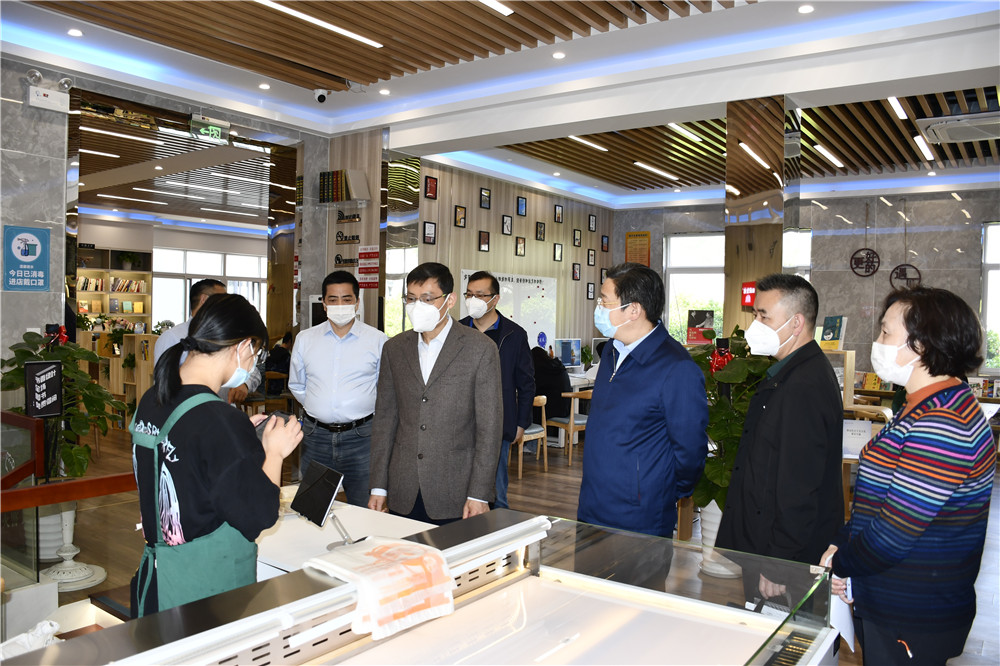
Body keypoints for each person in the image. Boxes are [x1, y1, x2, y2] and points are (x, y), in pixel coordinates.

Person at [822, 287, 995, 665]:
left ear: (922, 344)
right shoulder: (926, 404)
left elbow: (893, 535)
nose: (878, 341)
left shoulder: (942, 421)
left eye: (886, 332)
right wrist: (840, 543)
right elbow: (882, 501)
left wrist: (841, 563)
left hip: (914, 610)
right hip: (893, 596)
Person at [129, 293, 302, 616]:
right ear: (243, 347)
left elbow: (189, 461)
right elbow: (258, 515)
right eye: (256, 354)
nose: (252, 364)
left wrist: (239, 440)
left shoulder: (153, 398)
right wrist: (274, 453)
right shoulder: (219, 419)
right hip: (206, 589)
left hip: (158, 577)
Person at [716, 273, 843, 603]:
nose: (754, 325)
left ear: (796, 323)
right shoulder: (791, 372)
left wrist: (777, 564)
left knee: (779, 633)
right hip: (768, 544)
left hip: (782, 556)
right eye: (755, 314)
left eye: (764, 316)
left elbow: (799, 485)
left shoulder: (804, 386)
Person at [577, 262, 708, 538]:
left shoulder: (676, 367)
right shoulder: (612, 350)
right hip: (592, 502)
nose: (598, 308)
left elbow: (690, 449)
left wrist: (659, 492)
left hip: (640, 513)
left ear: (633, 310)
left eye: (604, 301)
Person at [368, 262, 502, 524]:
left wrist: (479, 493)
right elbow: (385, 420)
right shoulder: (395, 348)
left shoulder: (480, 348)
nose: (418, 306)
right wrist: (378, 487)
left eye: (427, 299)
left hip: (455, 487)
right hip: (402, 485)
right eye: (411, 299)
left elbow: (490, 427)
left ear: (450, 300)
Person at [289, 271, 387, 506]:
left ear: (357, 302)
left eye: (346, 299)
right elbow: (297, 384)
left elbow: (383, 389)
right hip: (316, 436)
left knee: (364, 508)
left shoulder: (378, 340)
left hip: (362, 437)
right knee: (313, 506)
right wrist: (321, 406)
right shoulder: (305, 339)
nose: (340, 305)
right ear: (324, 304)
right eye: (333, 300)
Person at [459, 271, 534, 509]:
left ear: (495, 299)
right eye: (469, 294)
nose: (473, 300)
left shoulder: (514, 334)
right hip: (459, 423)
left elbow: (526, 383)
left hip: (498, 422)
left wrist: (521, 423)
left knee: (496, 489)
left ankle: (498, 527)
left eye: (480, 295)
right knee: (458, 487)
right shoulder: (456, 330)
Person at [154, 279, 260, 404]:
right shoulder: (172, 336)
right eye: (221, 300)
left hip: (221, 408)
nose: (226, 306)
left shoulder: (226, 334)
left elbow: (252, 369)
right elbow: (164, 387)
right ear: (204, 300)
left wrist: (245, 384)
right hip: (191, 410)